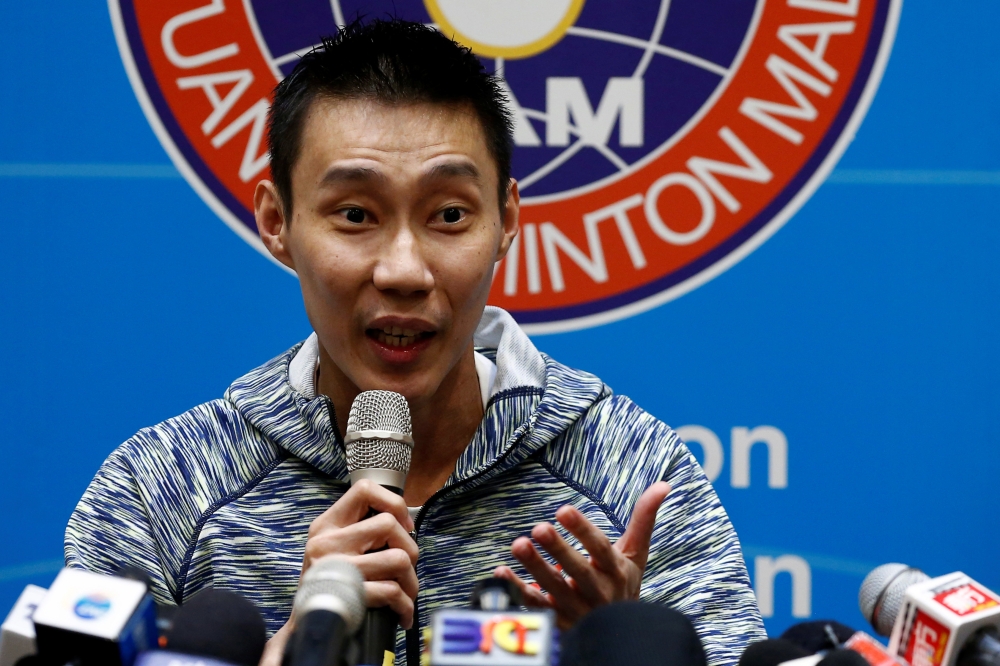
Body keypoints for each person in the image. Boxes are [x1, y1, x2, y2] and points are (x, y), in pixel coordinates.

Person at [65, 18, 765, 666]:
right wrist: (294, 648)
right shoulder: (161, 491)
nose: (404, 270)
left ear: (506, 221)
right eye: (355, 214)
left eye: (449, 214)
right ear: (277, 222)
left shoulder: (630, 478)